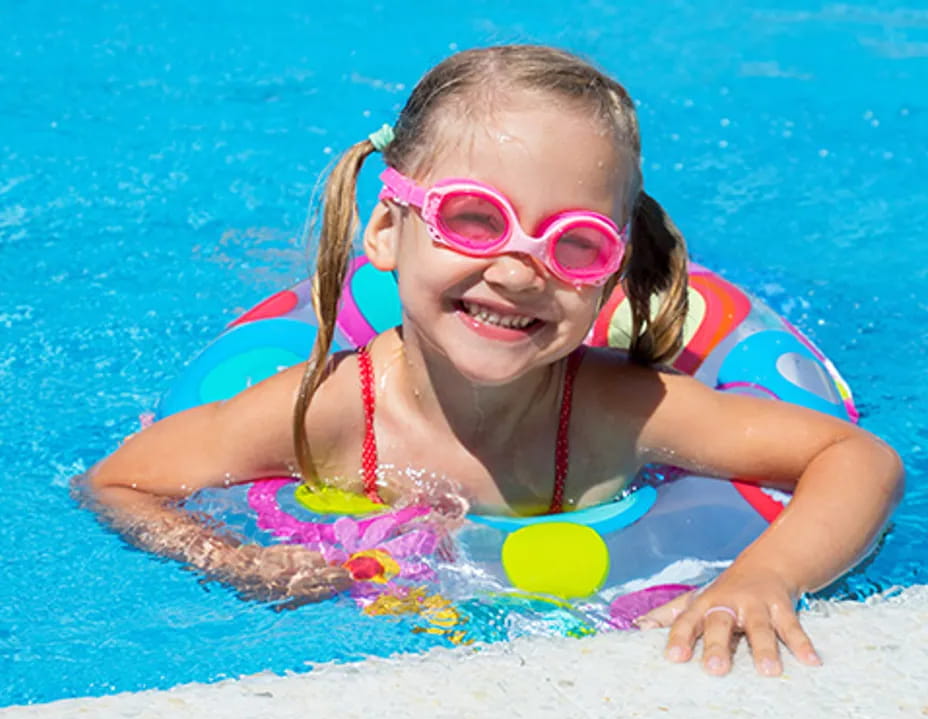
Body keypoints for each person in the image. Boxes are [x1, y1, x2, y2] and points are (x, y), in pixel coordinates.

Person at [87, 45, 903, 677]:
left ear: (610, 280)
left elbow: (855, 455)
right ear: (385, 234)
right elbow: (119, 481)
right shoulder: (330, 413)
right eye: (473, 221)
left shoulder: (618, 413)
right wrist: (233, 559)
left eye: (574, 244)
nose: (517, 271)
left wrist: (764, 577)